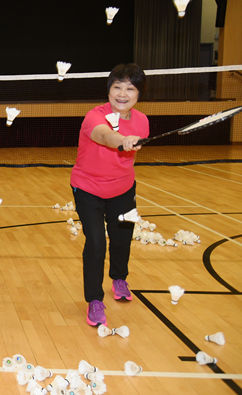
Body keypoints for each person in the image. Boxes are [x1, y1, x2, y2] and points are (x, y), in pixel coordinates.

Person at [70, 63, 149, 327]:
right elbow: (103, 135)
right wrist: (121, 140)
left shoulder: (142, 122)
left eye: (130, 88)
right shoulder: (94, 116)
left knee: (122, 237)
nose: (123, 94)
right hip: (88, 189)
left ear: (139, 94)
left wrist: (129, 139)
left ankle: (119, 278)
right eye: (117, 87)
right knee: (95, 243)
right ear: (109, 90)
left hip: (124, 190)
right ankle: (94, 300)